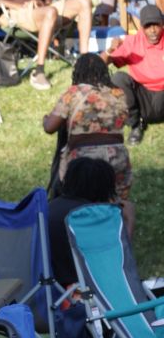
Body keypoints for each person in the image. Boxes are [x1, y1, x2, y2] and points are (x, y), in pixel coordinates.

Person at [43, 54, 131, 224]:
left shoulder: (74, 93)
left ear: (78, 72)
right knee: (117, 203)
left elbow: (50, 127)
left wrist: (45, 119)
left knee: (79, 203)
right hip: (118, 155)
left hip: (83, 157)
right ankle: (121, 239)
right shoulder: (118, 93)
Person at [48, 157, 118, 289]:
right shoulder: (89, 217)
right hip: (82, 291)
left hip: (51, 289)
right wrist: (128, 219)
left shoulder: (50, 207)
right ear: (104, 188)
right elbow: (119, 264)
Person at [103, 4, 164, 145]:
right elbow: (97, 64)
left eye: (157, 25)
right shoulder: (132, 42)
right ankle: (136, 125)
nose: (153, 30)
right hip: (143, 100)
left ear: (162, 24)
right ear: (142, 28)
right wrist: (110, 50)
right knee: (118, 78)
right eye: (148, 26)